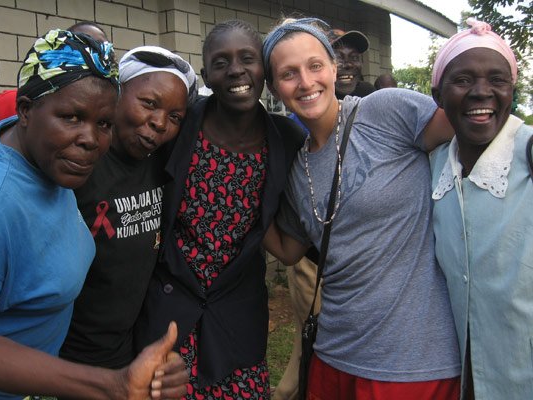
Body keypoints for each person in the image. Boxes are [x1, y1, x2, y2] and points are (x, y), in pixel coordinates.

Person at [0, 29, 186, 400]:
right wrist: (110, 384)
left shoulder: (32, 152)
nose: (90, 139)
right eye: (71, 117)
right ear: (24, 110)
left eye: (103, 124)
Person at [262, 17, 461, 400]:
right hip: (332, 357)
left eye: (315, 66)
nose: (306, 82)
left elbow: (466, 127)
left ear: (334, 68)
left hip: (410, 364)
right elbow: (290, 249)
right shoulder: (297, 166)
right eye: (289, 73)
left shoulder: (387, 111)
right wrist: (242, 204)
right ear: (274, 87)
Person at [134, 19, 304, 399]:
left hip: (237, 314)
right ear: (207, 74)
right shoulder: (181, 124)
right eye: (221, 61)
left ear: (265, 69)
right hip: (168, 309)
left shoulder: (286, 138)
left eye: (248, 58)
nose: (236, 70)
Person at [60, 45, 198, 369]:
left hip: (128, 345)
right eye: (149, 103)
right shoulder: (82, 165)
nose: (160, 122)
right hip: (72, 352)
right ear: (118, 94)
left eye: (175, 117)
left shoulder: (161, 165)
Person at [429, 18, 533, 400]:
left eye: (497, 80)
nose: (481, 92)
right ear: (437, 94)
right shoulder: (434, 166)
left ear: (512, 89)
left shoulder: (528, 154)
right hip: (466, 381)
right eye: (463, 80)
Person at [0, 21, 110, 180]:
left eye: (101, 52)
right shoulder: (7, 104)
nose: (92, 58)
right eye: (81, 48)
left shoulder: (107, 121)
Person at [329, 28, 375, 99]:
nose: (348, 64)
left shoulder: (368, 94)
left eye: (354, 57)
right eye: (338, 57)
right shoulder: (315, 101)